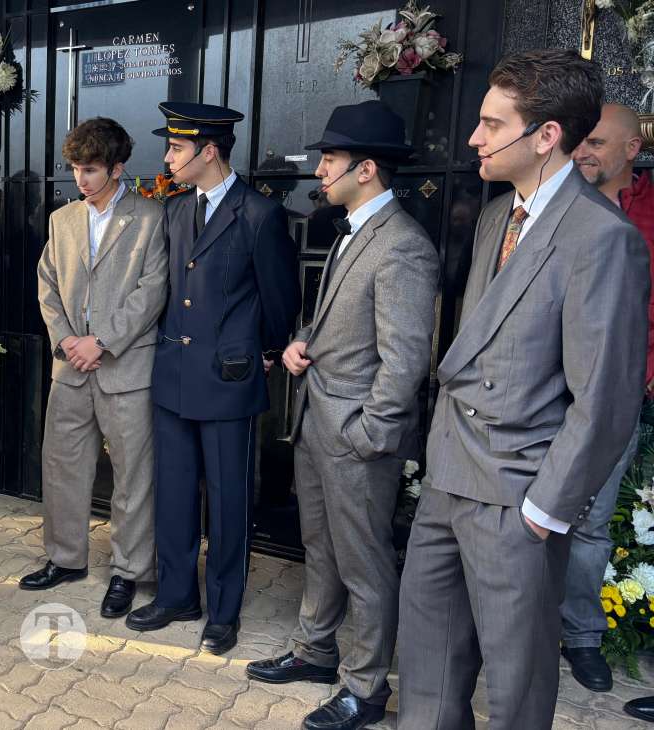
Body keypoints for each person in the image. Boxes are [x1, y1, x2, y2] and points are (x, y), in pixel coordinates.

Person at [397, 50, 649, 729]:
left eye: (490, 123)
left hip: (517, 500)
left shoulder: (604, 239)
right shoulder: (494, 218)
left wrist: (543, 511)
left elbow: (607, 399)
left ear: (545, 136)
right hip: (448, 481)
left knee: (515, 690)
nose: (474, 139)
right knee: (426, 670)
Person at [247, 101, 438, 730]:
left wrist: (368, 434)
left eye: (329, 159)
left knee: (365, 562)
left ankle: (366, 688)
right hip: (317, 425)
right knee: (319, 546)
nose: (319, 170)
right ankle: (315, 650)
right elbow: (341, 325)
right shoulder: (354, 228)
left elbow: (405, 360)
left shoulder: (403, 245)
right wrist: (303, 340)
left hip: (356, 440)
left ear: (368, 168)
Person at [125, 102, 300, 655]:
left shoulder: (257, 214)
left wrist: (266, 350)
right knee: (174, 495)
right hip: (174, 375)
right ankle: (178, 594)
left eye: (176, 149)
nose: (167, 158)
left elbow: (280, 300)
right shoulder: (176, 211)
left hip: (228, 380)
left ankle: (224, 611)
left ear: (208, 151)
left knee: (228, 502)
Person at [21, 117, 167, 618]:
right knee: (62, 465)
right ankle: (65, 558)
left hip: (126, 369)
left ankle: (129, 571)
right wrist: (66, 341)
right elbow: (46, 284)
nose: (80, 179)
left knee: (133, 476)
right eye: (74, 169)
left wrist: (102, 342)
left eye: (90, 170)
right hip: (70, 368)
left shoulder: (150, 217)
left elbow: (153, 291)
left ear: (117, 168)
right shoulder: (63, 220)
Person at [562, 103, 652, 692]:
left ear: (631, 149)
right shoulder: (556, 203)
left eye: (596, 141)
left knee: (591, 520)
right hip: (547, 393)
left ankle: (582, 635)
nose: (582, 151)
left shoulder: (651, 213)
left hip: (617, 395)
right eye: (578, 141)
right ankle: (513, 624)